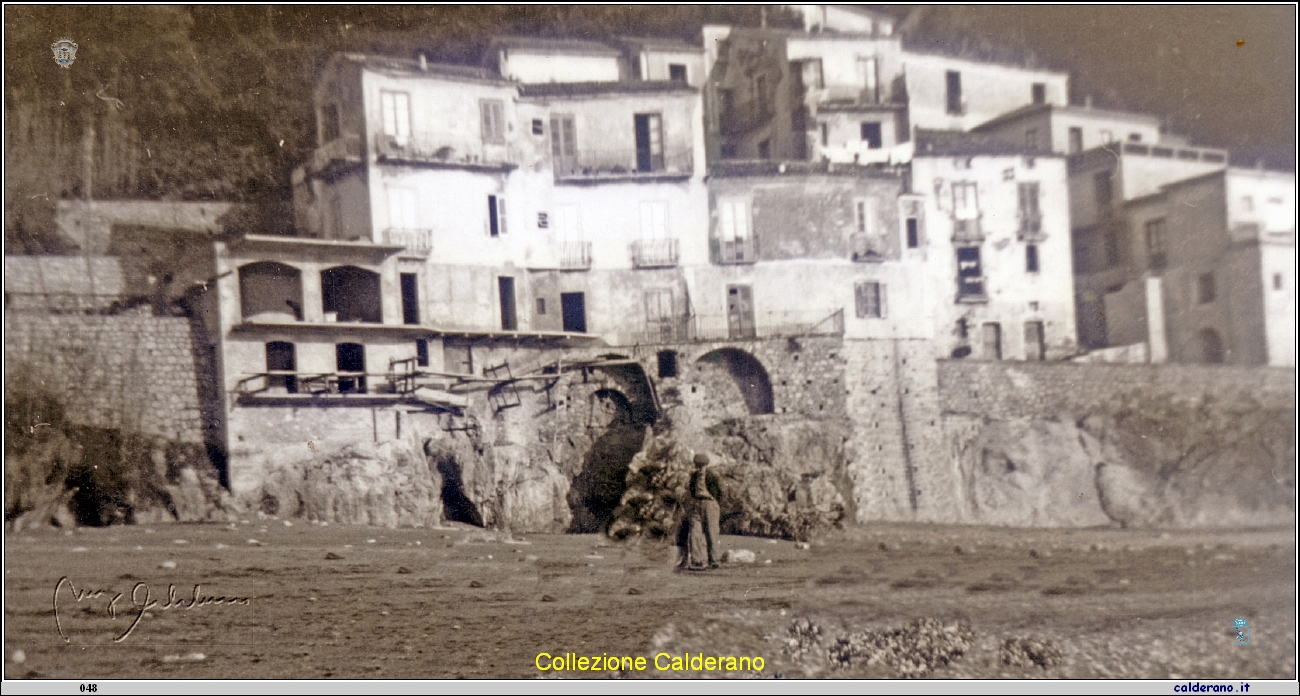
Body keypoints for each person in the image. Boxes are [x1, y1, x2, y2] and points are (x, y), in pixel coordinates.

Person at [683, 452, 722, 570]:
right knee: (695, 533)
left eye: (700, 465)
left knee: (711, 532)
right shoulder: (694, 476)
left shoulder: (712, 475)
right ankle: (697, 561)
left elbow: (720, 492)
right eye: (697, 465)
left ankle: (713, 561)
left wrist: (714, 501)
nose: (699, 468)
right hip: (697, 503)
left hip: (709, 502)